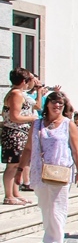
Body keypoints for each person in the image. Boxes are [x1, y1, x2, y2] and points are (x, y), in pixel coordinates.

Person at [17, 91, 78, 243]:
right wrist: (20, 170)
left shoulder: (68, 124)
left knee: (57, 207)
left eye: (60, 103)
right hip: (39, 172)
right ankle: (50, 237)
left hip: (60, 170)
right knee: (45, 207)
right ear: (48, 104)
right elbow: (28, 148)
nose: (57, 106)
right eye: (54, 102)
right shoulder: (37, 124)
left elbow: (76, 150)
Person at [3, 68, 39, 205]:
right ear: (24, 81)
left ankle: (15, 193)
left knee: (17, 164)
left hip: (19, 133)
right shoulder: (16, 94)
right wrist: (32, 118)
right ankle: (8, 195)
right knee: (12, 165)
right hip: (14, 133)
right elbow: (15, 116)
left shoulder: (18, 93)